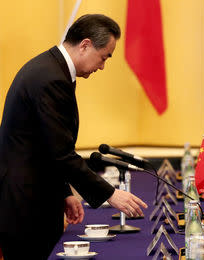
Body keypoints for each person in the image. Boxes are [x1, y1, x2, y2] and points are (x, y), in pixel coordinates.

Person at [0, 14, 148, 259]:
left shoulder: (52, 69)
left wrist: (65, 193)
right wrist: (110, 194)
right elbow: (60, 152)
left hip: (34, 194)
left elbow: (46, 146)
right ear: (86, 44)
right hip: (25, 203)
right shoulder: (50, 78)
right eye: (104, 58)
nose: (102, 66)